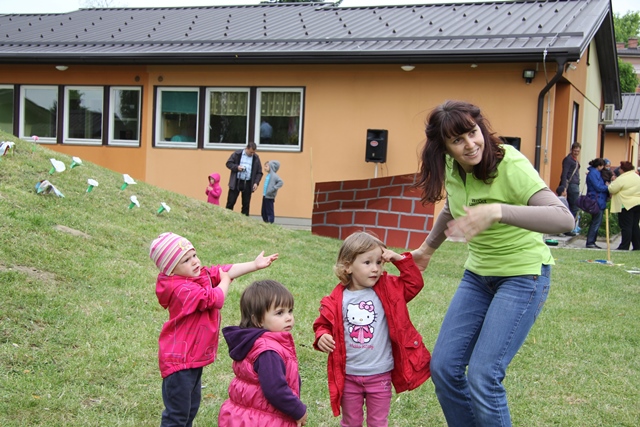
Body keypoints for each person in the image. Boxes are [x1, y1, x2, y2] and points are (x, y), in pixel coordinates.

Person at [410, 100, 574, 427]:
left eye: (473, 133)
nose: (470, 144)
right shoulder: (453, 167)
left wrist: (498, 210)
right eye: (458, 140)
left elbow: (564, 219)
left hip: (522, 276)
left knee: (484, 376)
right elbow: (454, 208)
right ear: (444, 148)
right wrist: (427, 249)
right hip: (478, 277)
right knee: (444, 368)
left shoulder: (509, 163)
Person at [149, 232, 278, 427]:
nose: (194, 262)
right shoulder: (181, 289)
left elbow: (224, 270)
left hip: (191, 359)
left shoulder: (195, 277)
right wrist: (225, 281)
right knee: (177, 415)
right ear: (171, 270)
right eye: (186, 260)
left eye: (194, 255)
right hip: (179, 361)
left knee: (189, 410)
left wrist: (254, 265)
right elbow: (215, 299)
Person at [313, 231, 431, 427]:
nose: (375, 269)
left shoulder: (389, 288)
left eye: (379, 262)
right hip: (348, 375)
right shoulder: (336, 299)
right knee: (351, 422)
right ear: (347, 266)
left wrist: (399, 260)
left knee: (378, 422)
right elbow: (323, 324)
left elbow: (414, 283)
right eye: (367, 263)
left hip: (380, 374)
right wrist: (322, 335)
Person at [218, 280, 308, 427]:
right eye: (279, 313)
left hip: (246, 416)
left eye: (290, 310)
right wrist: (298, 410)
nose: (288, 317)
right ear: (258, 320)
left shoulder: (252, 341)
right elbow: (275, 389)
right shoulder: (268, 351)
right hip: (262, 420)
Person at [607, 161, 640, 251]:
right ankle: (637, 246)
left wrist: (612, 182)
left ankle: (624, 246)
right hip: (637, 203)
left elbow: (612, 189)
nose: (619, 170)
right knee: (635, 225)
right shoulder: (637, 177)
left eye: (620, 168)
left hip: (626, 204)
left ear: (623, 169)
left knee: (626, 226)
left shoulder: (622, 178)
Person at [225, 142, 263, 216]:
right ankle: (227, 217)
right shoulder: (237, 154)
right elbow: (228, 163)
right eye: (251, 152)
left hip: (248, 182)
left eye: (254, 152)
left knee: (246, 204)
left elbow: (259, 172)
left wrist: (256, 182)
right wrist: (237, 167)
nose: (252, 154)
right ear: (247, 148)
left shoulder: (256, 158)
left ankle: (245, 220)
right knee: (231, 201)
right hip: (236, 181)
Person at [584, 158, 610, 249]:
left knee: (596, 222)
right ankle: (590, 242)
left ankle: (592, 241)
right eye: (602, 166)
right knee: (596, 222)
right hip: (597, 200)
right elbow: (598, 187)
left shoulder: (593, 173)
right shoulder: (594, 174)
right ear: (599, 166)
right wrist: (607, 187)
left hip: (597, 199)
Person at [559, 142, 582, 232]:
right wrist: (564, 187)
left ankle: (568, 228)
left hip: (574, 185)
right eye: (575, 151)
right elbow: (564, 174)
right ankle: (569, 228)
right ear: (571, 150)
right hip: (571, 185)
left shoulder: (574, 160)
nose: (576, 152)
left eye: (578, 151)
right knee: (574, 207)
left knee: (570, 207)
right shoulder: (568, 160)